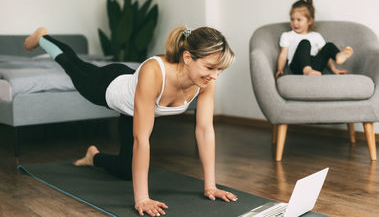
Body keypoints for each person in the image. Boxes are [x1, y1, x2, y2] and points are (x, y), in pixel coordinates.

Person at [24, 25, 237, 216]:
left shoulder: (205, 80)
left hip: (134, 109)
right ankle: (43, 37)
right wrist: (142, 199)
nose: (215, 76)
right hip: (109, 85)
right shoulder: (155, 71)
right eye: (210, 68)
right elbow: (141, 139)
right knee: (73, 65)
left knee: (126, 171)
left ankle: (93, 157)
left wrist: (211, 186)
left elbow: (205, 130)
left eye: (220, 69)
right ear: (188, 57)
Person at [275, 0, 353, 79]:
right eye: (292, 19)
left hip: (315, 67)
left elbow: (325, 56)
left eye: (299, 20)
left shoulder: (316, 36)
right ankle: (307, 70)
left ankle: (338, 56)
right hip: (297, 66)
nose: (295, 23)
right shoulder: (287, 35)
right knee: (305, 42)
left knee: (328, 46)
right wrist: (280, 69)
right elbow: (283, 54)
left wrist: (334, 69)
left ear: (309, 21)